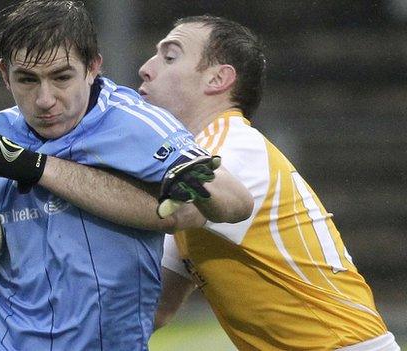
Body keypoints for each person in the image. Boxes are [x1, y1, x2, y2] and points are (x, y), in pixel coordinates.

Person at [0, 2, 253, 351]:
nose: (45, 99)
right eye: (27, 80)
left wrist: (200, 188)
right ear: (5, 74)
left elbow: (236, 204)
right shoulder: (1, 131)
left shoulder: (137, 123)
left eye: (62, 77)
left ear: (94, 66)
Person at [139, 15, 401, 350]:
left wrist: (59, 174)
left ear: (218, 78)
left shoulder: (230, 148)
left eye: (170, 56)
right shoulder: (200, 167)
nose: (146, 68)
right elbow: (153, 310)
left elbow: (164, 212)